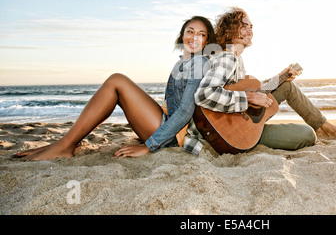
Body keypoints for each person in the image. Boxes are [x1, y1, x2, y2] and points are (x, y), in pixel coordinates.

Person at [19, 16, 215, 160]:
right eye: (190, 31)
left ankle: (65, 145)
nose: (194, 37)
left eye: (201, 34)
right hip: (167, 126)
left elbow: (183, 112)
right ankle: (65, 143)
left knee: (117, 81)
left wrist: (148, 147)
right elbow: (171, 106)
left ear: (207, 41)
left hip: (176, 137)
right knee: (117, 84)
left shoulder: (200, 63)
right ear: (182, 35)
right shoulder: (182, 63)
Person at [194, 7, 336, 153]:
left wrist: (279, 78)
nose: (250, 31)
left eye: (251, 27)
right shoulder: (228, 58)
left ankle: (327, 128)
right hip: (231, 134)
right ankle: (328, 130)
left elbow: (242, 89)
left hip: (234, 122)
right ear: (229, 30)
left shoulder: (234, 59)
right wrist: (250, 97)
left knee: (287, 85)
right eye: (243, 27)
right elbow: (204, 95)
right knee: (307, 134)